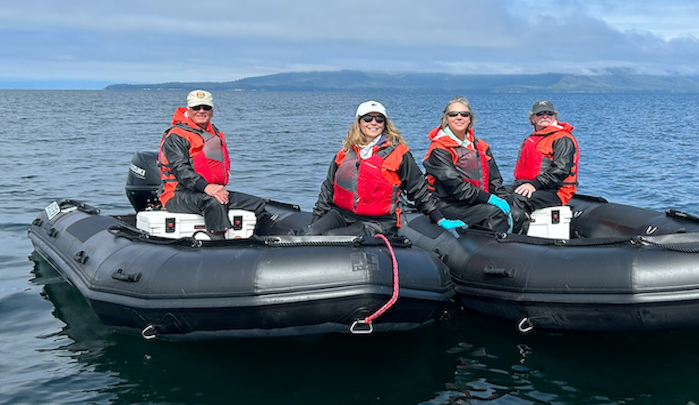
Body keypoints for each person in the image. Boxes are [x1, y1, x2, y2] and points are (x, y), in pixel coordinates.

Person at [308, 100, 463, 237]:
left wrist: (439, 218)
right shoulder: (344, 154)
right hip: (341, 214)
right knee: (310, 234)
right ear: (359, 122)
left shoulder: (398, 153)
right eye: (368, 118)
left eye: (379, 119)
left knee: (332, 237)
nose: (373, 123)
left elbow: (418, 190)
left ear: (384, 124)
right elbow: (327, 190)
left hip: (377, 222)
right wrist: (315, 222)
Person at [158, 89, 274, 239]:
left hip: (211, 191)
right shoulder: (176, 136)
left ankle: (260, 244)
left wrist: (213, 189)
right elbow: (181, 171)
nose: (201, 111)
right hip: (177, 194)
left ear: (212, 111)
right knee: (213, 201)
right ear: (188, 109)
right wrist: (207, 187)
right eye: (196, 107)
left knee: (257, 204)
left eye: (206, 108)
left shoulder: (214, 133)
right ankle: (219, 243)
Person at [424, 97, 524, 232]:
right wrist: (489, 199)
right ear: (446, 118)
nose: (459, 117)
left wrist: (502, 200)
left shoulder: (481, 146)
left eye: (464, 114)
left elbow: (494, 180)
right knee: (494, 213)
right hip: (448, 203)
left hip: (475, 201)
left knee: (518, 215)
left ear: (470, 118)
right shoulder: (439, 148)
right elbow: (455, 186)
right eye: (453, 114)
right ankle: (492, 250)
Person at [509, 99, 579, 212]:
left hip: (556, 190)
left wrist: (534, 185)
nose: (545, 116)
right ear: (532, 119)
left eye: (549, 113)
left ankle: (519, 227)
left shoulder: (562, 139)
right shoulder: (533, 138)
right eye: (540, 114)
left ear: (555, 116)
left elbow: (561, 171)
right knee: (498, 194)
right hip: (530, 185)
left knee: (517, 199)